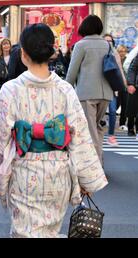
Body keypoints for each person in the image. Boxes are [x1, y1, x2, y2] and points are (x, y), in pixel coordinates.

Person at [0, 23, 108, 238]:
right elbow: (80, 136)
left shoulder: (10, 90)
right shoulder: (65, 90)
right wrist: (86, 179)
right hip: (57, 175)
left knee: (23, 232)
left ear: (22, 53)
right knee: (51, 231)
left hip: (23, 173)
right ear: (52, 51)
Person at [66, 15, 113, 163]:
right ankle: (100, 160)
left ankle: (96, 167)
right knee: (98, 128)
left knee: (90, 130)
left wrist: (66, 89)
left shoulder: (81, 45)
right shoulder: (107, 45)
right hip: (106, 92)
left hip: (87, 93)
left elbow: (72, 72)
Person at [103, 34, 127, 145]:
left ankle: (111, 136)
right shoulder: (99, 52)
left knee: (113, 111)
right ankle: (96, 134)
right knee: (99, 112)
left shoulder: (115, 53)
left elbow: (119, 68)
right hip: (101, 85)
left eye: (110, 40)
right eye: (106, 40)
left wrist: (123, 81)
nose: (108, 42)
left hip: (112, 86)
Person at [117, 45, 129, 131]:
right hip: (116, 87)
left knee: (124, 106)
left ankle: (122, 123)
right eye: (120, 51)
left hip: (125, 87)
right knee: (115, 105)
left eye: (124, 51)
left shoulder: (128, 61)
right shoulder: (115, 60)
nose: (122, 53)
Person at [127, 53, 138, 137]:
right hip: (136, 86)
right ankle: (130, 128)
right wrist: (131, 83)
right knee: (132, 108)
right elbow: (132, 69)